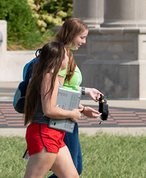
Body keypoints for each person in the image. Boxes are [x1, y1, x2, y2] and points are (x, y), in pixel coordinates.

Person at [22, 41, 99, 178]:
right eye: (66, 56)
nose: (68, 58)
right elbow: (49, 110)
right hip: (44, 134)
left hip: (54, 134)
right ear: (59, 59)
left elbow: (60, 102)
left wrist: (83, 109)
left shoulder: (52, 77)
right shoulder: (47, 77)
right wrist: (71, 114)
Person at [51, 18, 104, 178]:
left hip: (69, 113)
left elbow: (66, 86)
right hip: (63, 116)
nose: (84, 41)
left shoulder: (67, 54)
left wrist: (86, 91)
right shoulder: (61, 55)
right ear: (71, 34)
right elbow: (57, 90)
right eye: (81, 37)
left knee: (75, 169)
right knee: (71, 171)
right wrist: (81, 108)